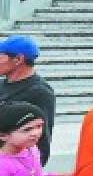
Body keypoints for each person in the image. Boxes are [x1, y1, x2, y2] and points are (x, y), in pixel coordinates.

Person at [0, 35, 56, 166]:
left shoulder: (39, 92)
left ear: (18, 59)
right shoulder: (2, 85)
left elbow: (41, 137)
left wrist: (32, 171)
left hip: (15, 167)